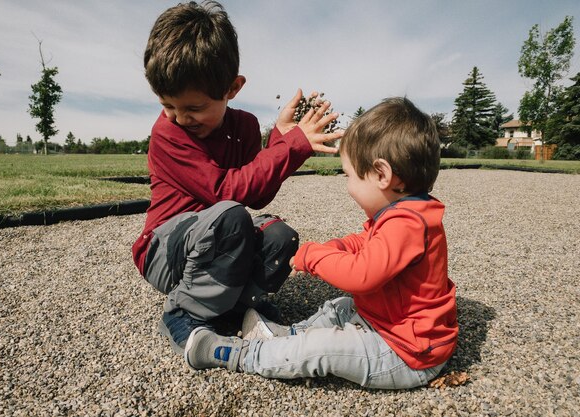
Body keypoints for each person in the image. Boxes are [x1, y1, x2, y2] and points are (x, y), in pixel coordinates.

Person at [184, 97, 459, 390]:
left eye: (350, 176)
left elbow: (362, 276)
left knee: (321, 347)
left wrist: (314, 257)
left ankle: (239, 354)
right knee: (341, 307)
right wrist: (337, 246)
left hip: (405, 353)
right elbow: (365, 242)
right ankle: (287, 335)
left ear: (382, 175)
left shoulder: (407, 224)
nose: (348, 185)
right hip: (388, 325)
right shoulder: (409, 213)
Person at [132, 0, 342, 355]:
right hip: (164, 250)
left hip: (217, 235)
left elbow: (255, 193)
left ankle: (236, 305)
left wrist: (279, 136)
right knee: (231, 217)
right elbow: (226, 191)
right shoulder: (168, 134)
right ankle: (183, 312)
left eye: (194, 108)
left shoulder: (244, 126)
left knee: (278, 236)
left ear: (233, 88)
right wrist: (292, 146)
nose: (180, 117)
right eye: (167, 105)